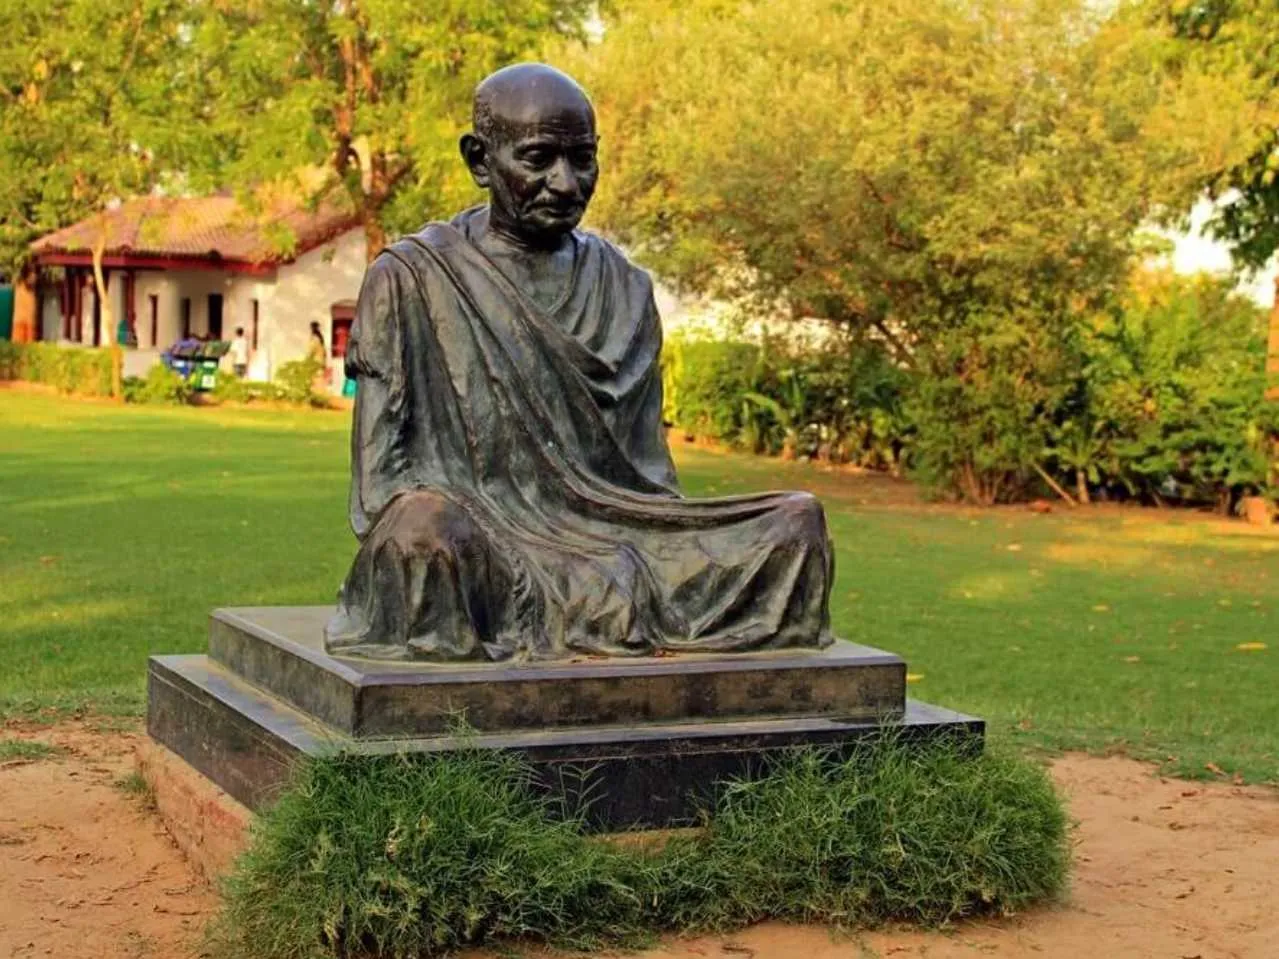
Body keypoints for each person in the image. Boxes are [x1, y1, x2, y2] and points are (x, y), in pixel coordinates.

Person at [324, 63, 833, 662]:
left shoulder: (625, 288)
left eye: (582, 159)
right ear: (481, 160)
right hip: (480, 536)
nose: (566, 184)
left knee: (796, 524)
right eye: (539, 159)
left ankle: (595, 603)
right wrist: (505, 546)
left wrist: (624, 554)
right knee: (421, 537)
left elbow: (648, 482)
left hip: (620, 529)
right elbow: (382, 487)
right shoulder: (410, 279)